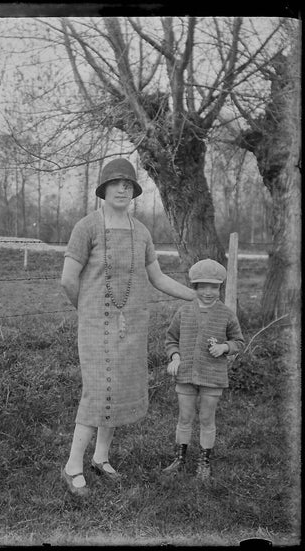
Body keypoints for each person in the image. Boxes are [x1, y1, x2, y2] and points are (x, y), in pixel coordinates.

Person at [60, 157, 196, 497]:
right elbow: (67, 280)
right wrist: (87, 311)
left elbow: (158, 277)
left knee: (117, 388)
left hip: (132, 325)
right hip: (94, 326)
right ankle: (72, 466)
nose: (122, 189)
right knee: (96, 392)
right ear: (103, 189)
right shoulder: (86, 227)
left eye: (129, 185)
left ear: (133, 191)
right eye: (116, 183)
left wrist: (195, 296)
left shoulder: (142, 231)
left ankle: (100, 458)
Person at [162, 258, 245, 480]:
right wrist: (175, 356)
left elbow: (239, 341)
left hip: (213, 376)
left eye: (214, 287)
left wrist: (225, 347)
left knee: (207, 419)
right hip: (185, 374)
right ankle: (180, 459)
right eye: (203, 286)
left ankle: (204, 462)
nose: (208, 292)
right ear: (195, 287)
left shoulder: (226, 314)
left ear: (220, 287)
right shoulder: (184, 312)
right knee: (185, 418)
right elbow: (171, 339)